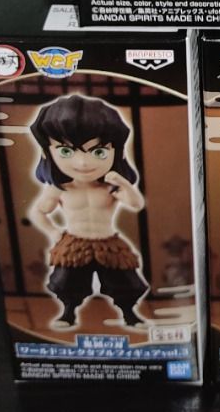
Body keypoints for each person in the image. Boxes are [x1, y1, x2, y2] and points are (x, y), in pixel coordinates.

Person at [27, 94, 148, 329]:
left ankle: (130, 315)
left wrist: (123, 183)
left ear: (116, 152)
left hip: (107, 241)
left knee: (125, 282)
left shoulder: (109, 187)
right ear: (47, 152)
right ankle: (68, 313)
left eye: (98, 152)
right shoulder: (60, 188)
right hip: (75, 241)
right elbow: (38, 212)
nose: (83, 163)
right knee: (67, 283)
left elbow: (136, 204)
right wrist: (53, 232)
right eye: (66, 151)